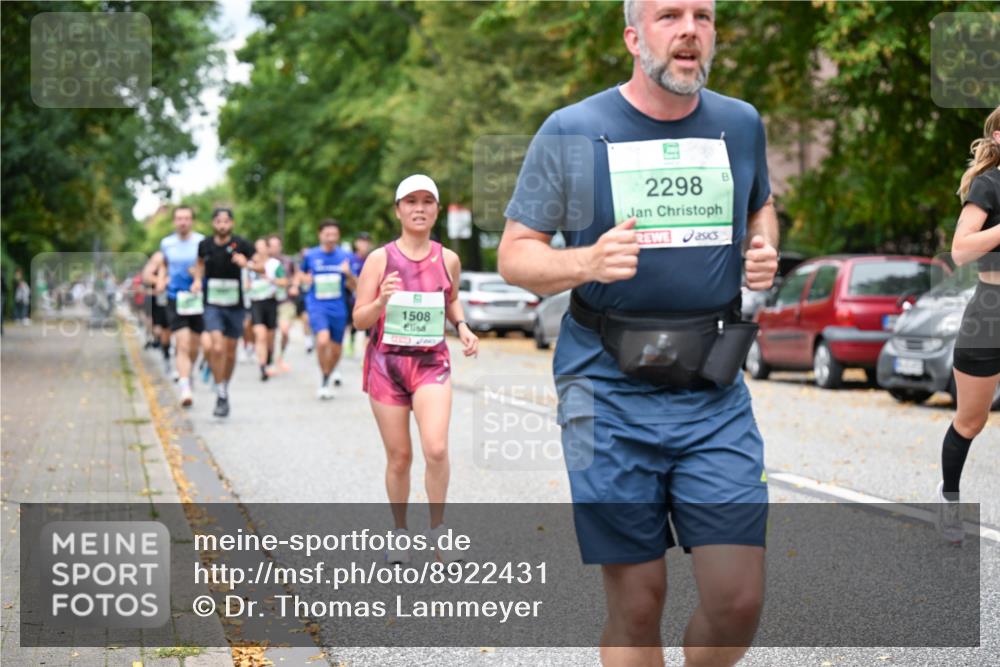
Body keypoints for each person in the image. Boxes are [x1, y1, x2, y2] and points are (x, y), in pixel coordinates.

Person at [497, 2, 778, 665]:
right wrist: (585, 262)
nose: (690, 29)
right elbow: (516, 256)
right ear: (633, 37)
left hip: (712, 388)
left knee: (737, 600)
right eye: (668, 15)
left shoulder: (740, 124)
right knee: (637, 600)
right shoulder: (572, 129)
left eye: (703, 16)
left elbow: (761, 202)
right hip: (605, 388)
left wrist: (762, 246)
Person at [353, 174, 479, 565]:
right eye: (411, 201)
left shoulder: (449, 258)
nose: (419, 208)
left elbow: (452, 299)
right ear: (398, 210)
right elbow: (359, 319)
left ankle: (439, 529)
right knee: (400, 457)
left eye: (427, 201)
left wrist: (462, 325)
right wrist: (381, 302)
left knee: (437, 448)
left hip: (431, 364)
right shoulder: (380, 259)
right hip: (386, 367)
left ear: (437, 210)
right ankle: (400, 532)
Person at [936, 105, 1000, 544]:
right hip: (991, 312)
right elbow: (960, 250)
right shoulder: (989, 184)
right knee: (971, 421)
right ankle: (950, 501)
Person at [191, 208, 256, 417]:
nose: (222, 225)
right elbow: (199, 264)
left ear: (232, 224)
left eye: (226, 221)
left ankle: (224, 387)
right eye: (218, 221)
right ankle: (220, 392)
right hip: (212, 304)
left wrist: (247, 264)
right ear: (213, 224)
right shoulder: (205, 245)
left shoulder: (242, 244)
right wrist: (197, 281)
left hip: (235, 305)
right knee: (216, 347)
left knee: (230, 351)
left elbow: (261, 265)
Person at [294, 219, 356, 399]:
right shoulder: (311, 255)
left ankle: (330, 370)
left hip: (338, 307)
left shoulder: (345, 256)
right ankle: (324, 379)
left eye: (334, 234)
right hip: (317, 305)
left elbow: (355, 286)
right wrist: (303, 280)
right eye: (327, 234)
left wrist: (348, 274)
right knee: (322, 341)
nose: (330, 238)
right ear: (320, 234)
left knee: (336, 349)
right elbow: (300, 273)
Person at [158, 205, 206, 407]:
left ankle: (188, 372)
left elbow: (205, 266)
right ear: (174, 221)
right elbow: (164, 265)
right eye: (179, 218)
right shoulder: (167, 243)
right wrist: (161, 279)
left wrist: (197, 278)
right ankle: (185, 387)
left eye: (186, 218)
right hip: (175, 297)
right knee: (182, 343)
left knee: (194, 346)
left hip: (196, 298)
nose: (183, 222)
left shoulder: (201, 241)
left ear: (192, 220)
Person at [248, 237, 287, 381]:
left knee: (270, 337)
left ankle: (269, 357)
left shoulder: (275, 264)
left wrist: (271, 280)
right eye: (257, 247)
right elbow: (246, 282)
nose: (259, 250)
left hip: (271, 302)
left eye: (262, 247)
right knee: (260, 335)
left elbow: (284, 281)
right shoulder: (250, 265)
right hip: (255, 302)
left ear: (267, 248)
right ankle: (262, 366)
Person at [268, 234, 297, 373]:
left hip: (285, 301)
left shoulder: (288, 261)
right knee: (271, 333)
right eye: (271, 246)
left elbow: (296, 275)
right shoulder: (263, 262)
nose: (274, 248)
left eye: (277, 245)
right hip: (268, 301)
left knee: (284, 330)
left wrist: (294, 286)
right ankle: (271, 360)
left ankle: (280, 357)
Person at [344, 231, 374, 356]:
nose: (364, 245)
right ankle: (350, 342)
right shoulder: (350, 259)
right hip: (352, 297)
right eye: (362, 241)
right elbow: (347, 282)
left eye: (366, 242)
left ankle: (366, 353)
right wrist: (355, 281)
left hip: (369, 297)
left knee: (369, 326)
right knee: (354, 324)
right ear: (356, 243)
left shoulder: (373, 259)